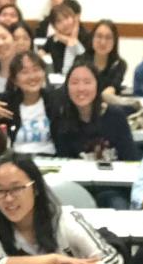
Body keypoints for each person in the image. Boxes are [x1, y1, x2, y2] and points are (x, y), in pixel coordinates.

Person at [0, 152, 123, 264]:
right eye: (0, 191)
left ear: (35, 188)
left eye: (17, 188)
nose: (8, 199)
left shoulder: (65, 220)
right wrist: (54, 259)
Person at [55, 60, 136, 209]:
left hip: (113, 188)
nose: (81, 88)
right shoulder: (61, 120)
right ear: (66, 87)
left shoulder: (115, 116)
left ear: (97, 85)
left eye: (87, 82)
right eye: (74, 83)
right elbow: (64, 164)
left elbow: (131, 159)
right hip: (77, 189)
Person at [2, 51, 60, 155]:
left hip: (52, 159)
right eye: (25, 72)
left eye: (36, 70)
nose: (32, 76)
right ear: (14, 80)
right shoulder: (6, 104)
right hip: (18, 160)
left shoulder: (56, 100)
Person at [84, 19, 127, 97]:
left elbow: (112, 88)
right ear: (92, 38)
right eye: (99, 36)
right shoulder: (81, 61)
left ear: (114, 41)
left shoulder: (119, 64)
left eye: (108, 38)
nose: (103, 42)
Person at [45, 3, 92, 75]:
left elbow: (86, 61)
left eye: (66, 18)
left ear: (74, 18)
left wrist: (71, 41)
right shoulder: (53, 40)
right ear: (54, 26)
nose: (64, 23)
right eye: (59, 21)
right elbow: (42, 50)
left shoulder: (86, 37)